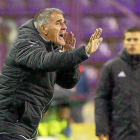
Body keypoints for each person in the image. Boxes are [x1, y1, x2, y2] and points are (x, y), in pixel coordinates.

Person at [0, 8, 103, 140]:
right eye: (58, 23)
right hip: (10, 126)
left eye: (64, 23)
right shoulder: (26, 44)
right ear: (44, 29)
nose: (64, 27)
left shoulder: (51, 50)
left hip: (24, 128)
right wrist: (84, 52)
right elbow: (43, 61)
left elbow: (68, 82)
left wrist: (69, 60)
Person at [95, 26, 140, 140]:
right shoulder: (112, 67)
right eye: (128, 40)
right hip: (119, 131)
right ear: (124, 41)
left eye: (135, 39)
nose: (132, 43)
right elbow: (101, 99)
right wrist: (102, 128)